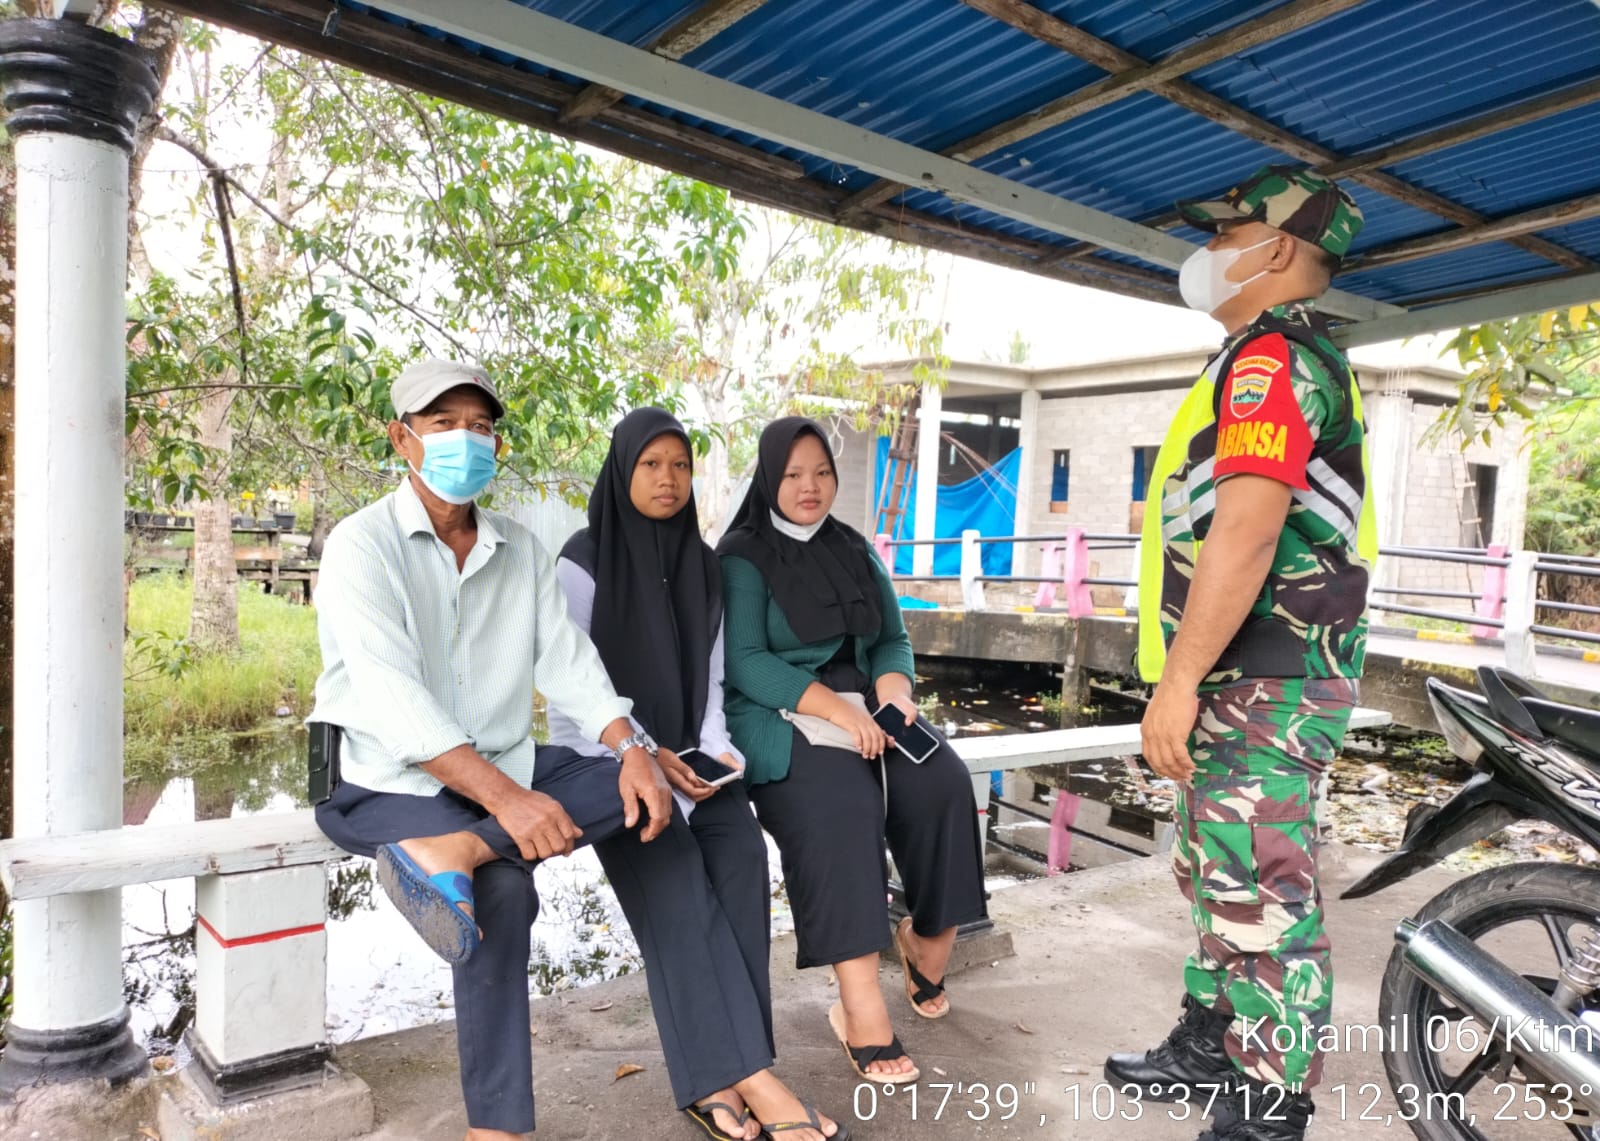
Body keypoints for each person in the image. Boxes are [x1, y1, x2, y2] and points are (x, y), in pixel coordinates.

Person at [309, 361, 845, 1141]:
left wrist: (630, 744)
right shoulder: (363, 546)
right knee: (501, 898)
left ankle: (746, 1072)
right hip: (383, 777)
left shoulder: (519, 549)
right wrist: (509, 802)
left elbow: (569, 663)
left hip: (501, 770)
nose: (467, 439)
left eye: (481, 426)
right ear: (403, 439)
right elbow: (397, 708)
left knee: (647, 801)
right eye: (444, 423)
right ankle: (499, 1129)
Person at [1103, 166, 1377, 1141]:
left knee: (1260, 892)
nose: (1212, 248)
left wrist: (1176, 683)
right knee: (1218, 874)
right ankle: (1212, 1042)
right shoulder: (1256, 359)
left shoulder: (1272, 363)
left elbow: (1249, 531)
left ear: (1275, 248)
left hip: (1263, 672)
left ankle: (1267, 1106)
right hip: (1246, 672)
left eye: (1229, 231)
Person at [550, 407, 842, 1141]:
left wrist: (719, 752)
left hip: (693, 763)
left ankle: (723, 1071)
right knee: (678, 881)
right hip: (607, 766)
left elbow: (710, 680)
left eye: (680, 464)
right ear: (622, 470)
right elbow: (568, 688)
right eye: (651, 464)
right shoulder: (581, 561)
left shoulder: (703, 564)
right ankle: (747, 1076)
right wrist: (642, 751)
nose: (668, 478)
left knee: (743, 857)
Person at [716, 416, 988, 1087]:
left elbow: (892, 640)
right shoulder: (742, 557)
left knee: (943, 781)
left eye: (821, 472)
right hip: (782, 713)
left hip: (869, 707)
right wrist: (837, 708)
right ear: (769, 478)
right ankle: (859, 1007)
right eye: (792, 474)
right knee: (839, 803)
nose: (809, 487)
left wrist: (894, 696)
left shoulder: (854, 547)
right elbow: (747, 661)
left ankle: (927, 942)